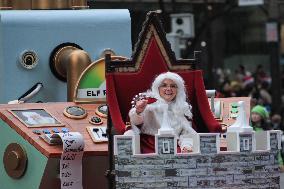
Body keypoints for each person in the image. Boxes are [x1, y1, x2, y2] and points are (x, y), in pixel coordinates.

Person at [125, 72, 196, 153]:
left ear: (178, 90)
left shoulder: (183, 108)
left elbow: (186, 133)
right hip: (149, 145)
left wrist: (186, 146)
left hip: (173, 146)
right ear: (158, 88)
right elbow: (134, 123)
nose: (169, 88)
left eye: (173, 86)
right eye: (164, 85)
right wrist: (138, 111)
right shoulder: (149, 104)